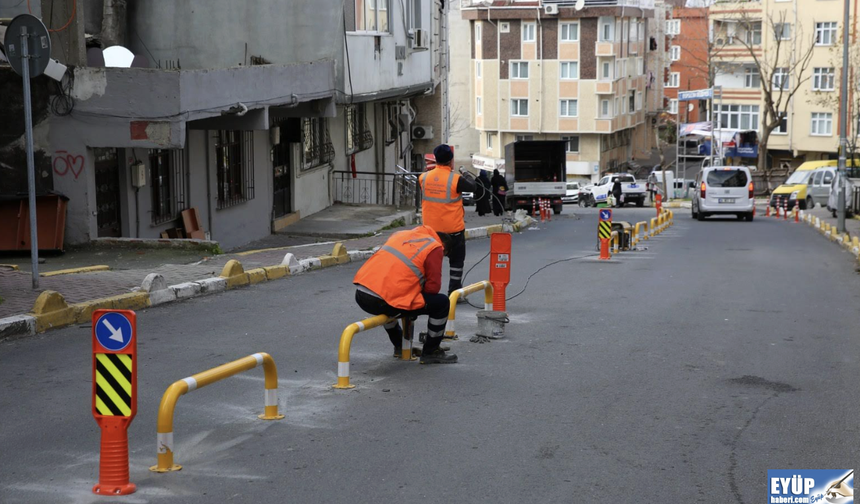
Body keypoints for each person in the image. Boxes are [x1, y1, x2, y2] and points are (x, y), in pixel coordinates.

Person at [353, 225, 457, 364]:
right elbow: (433, 288)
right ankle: (431, 351)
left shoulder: (401, 234)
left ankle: (400, 346)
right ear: (444, 247)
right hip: (383, 300)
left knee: (391, 300)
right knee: (442, 303)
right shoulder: (435, 247)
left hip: (362, 293)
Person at [419, 144, 475, 296]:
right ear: (451, 161)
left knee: (427, 262)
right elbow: (473, 186)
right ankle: (454, 292)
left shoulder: (423, 178)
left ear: (436, 159)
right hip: (453, 231)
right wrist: (465, 172)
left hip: (429, 232)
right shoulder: (456, 179)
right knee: (456, 262)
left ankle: (425, 292)